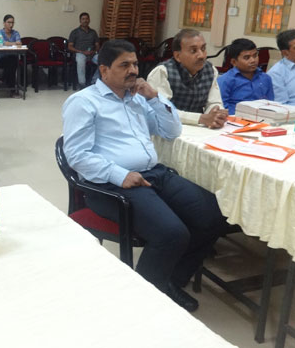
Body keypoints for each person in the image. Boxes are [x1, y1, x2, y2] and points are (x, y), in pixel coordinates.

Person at [62, 39, 225, 312]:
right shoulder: (84, 102)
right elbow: (76, 156)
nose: (133, 70)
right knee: (172, 233)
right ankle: (143, 303)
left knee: (213, 216)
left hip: (154, 173)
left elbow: (171, 131)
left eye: (135, 64)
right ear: (104, 70)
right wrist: (119, 174)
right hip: (112, 185)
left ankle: (170, 281)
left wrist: (155, 97)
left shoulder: (138, 98)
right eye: (124, 65)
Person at [147, 29, 228, 128]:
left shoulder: (210, 70)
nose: (201, 55)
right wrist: (201, 118)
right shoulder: (162, 72)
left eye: (203, 49)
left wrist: (216, 114)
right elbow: (162, 110)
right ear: (177, 56)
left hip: (197, 129)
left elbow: (214, 102)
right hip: (167, 130)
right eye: (193, 51)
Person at [217, 38, 274, 115]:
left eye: (255, 55)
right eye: (247, 57)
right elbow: (222, 108)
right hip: (234, 120)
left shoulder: (265, 78)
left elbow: (270, 104)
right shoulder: (226, 80)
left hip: (262, 119)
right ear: (234, 62)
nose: (253, 60)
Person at [68, 12, 99, 89]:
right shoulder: (74, 32)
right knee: (81, 61)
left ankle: (94, 81)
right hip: (80, 53)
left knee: (103, 61)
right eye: (83, 19)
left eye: (87, 19)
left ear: (89, 20)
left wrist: (93, 51)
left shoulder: (93, 32)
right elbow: (70, 47)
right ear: (80, 21)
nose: (85, 20)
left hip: (92, 54)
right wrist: (82, 52)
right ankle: (82, 83)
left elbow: (97, 45)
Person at [0, 14, 22, 97]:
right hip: (1, 58)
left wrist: (9, 44)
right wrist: (13, 43)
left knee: (12, 62)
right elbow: (2, 43)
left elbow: (19, 43)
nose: (11, 24)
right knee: (12, 63)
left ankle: (5, 80)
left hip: (12, 58)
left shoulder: (16, 32)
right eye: (9, 22)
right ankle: (12, 89)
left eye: (12, 22)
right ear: (4, 23)